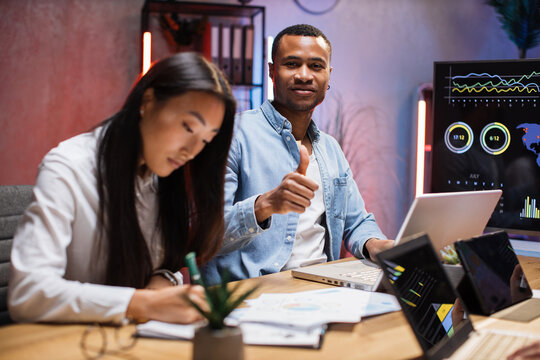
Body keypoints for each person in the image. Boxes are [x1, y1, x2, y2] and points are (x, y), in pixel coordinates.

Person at [8, 52, 236, 324]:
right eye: (188, 127)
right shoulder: (69, 167)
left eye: (206, 141)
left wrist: (161, 282)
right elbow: (28, 292)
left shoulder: (165, 175)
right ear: (148, 101)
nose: (192, 151)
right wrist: (141, 303)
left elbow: (166, 264)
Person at [202, 24, 393, 285]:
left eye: (316, 66)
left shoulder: (330, 148)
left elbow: (356, 221)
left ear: (328, 75)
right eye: (292, 64)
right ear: (272, 71)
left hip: (324, 287)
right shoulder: (232, 135)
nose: (304, 75)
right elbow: (205, 237)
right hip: (254, 294)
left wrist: (375, 243)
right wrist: (264, 205)